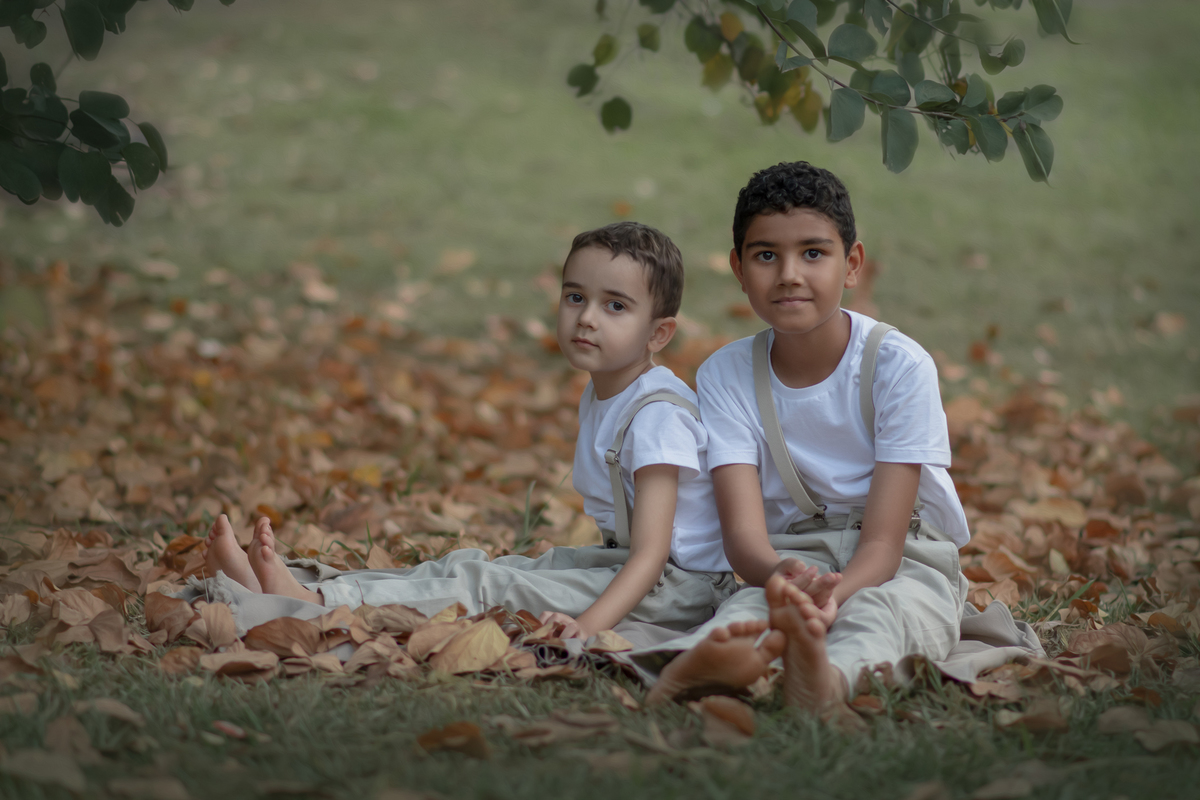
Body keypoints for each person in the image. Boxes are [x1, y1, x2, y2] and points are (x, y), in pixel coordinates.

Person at [200, 221, 736, 638]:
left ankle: (310, 606)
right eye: (576, 297)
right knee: (472, 564)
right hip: (630, 565)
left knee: (496, 584)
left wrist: (589, 625)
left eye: (615, 306)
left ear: (659, 333)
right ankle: (309, 589)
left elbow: (650, 555)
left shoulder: (658, 417)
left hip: (677, 589)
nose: (587, 318)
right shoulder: (608, 389)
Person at [636, 161, 973, 708]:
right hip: (795, 552)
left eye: (813, 253)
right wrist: (781, 576)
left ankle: (827, 680)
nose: (789, 273)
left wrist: (837, 593)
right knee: (745, 612)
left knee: (884, 613)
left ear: (852, 264)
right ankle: (693, 667)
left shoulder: (899, 365)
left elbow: (884, 545)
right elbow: (745, 542)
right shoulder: (725, 374)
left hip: (904, 553)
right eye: (766, 255)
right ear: (738, 269)